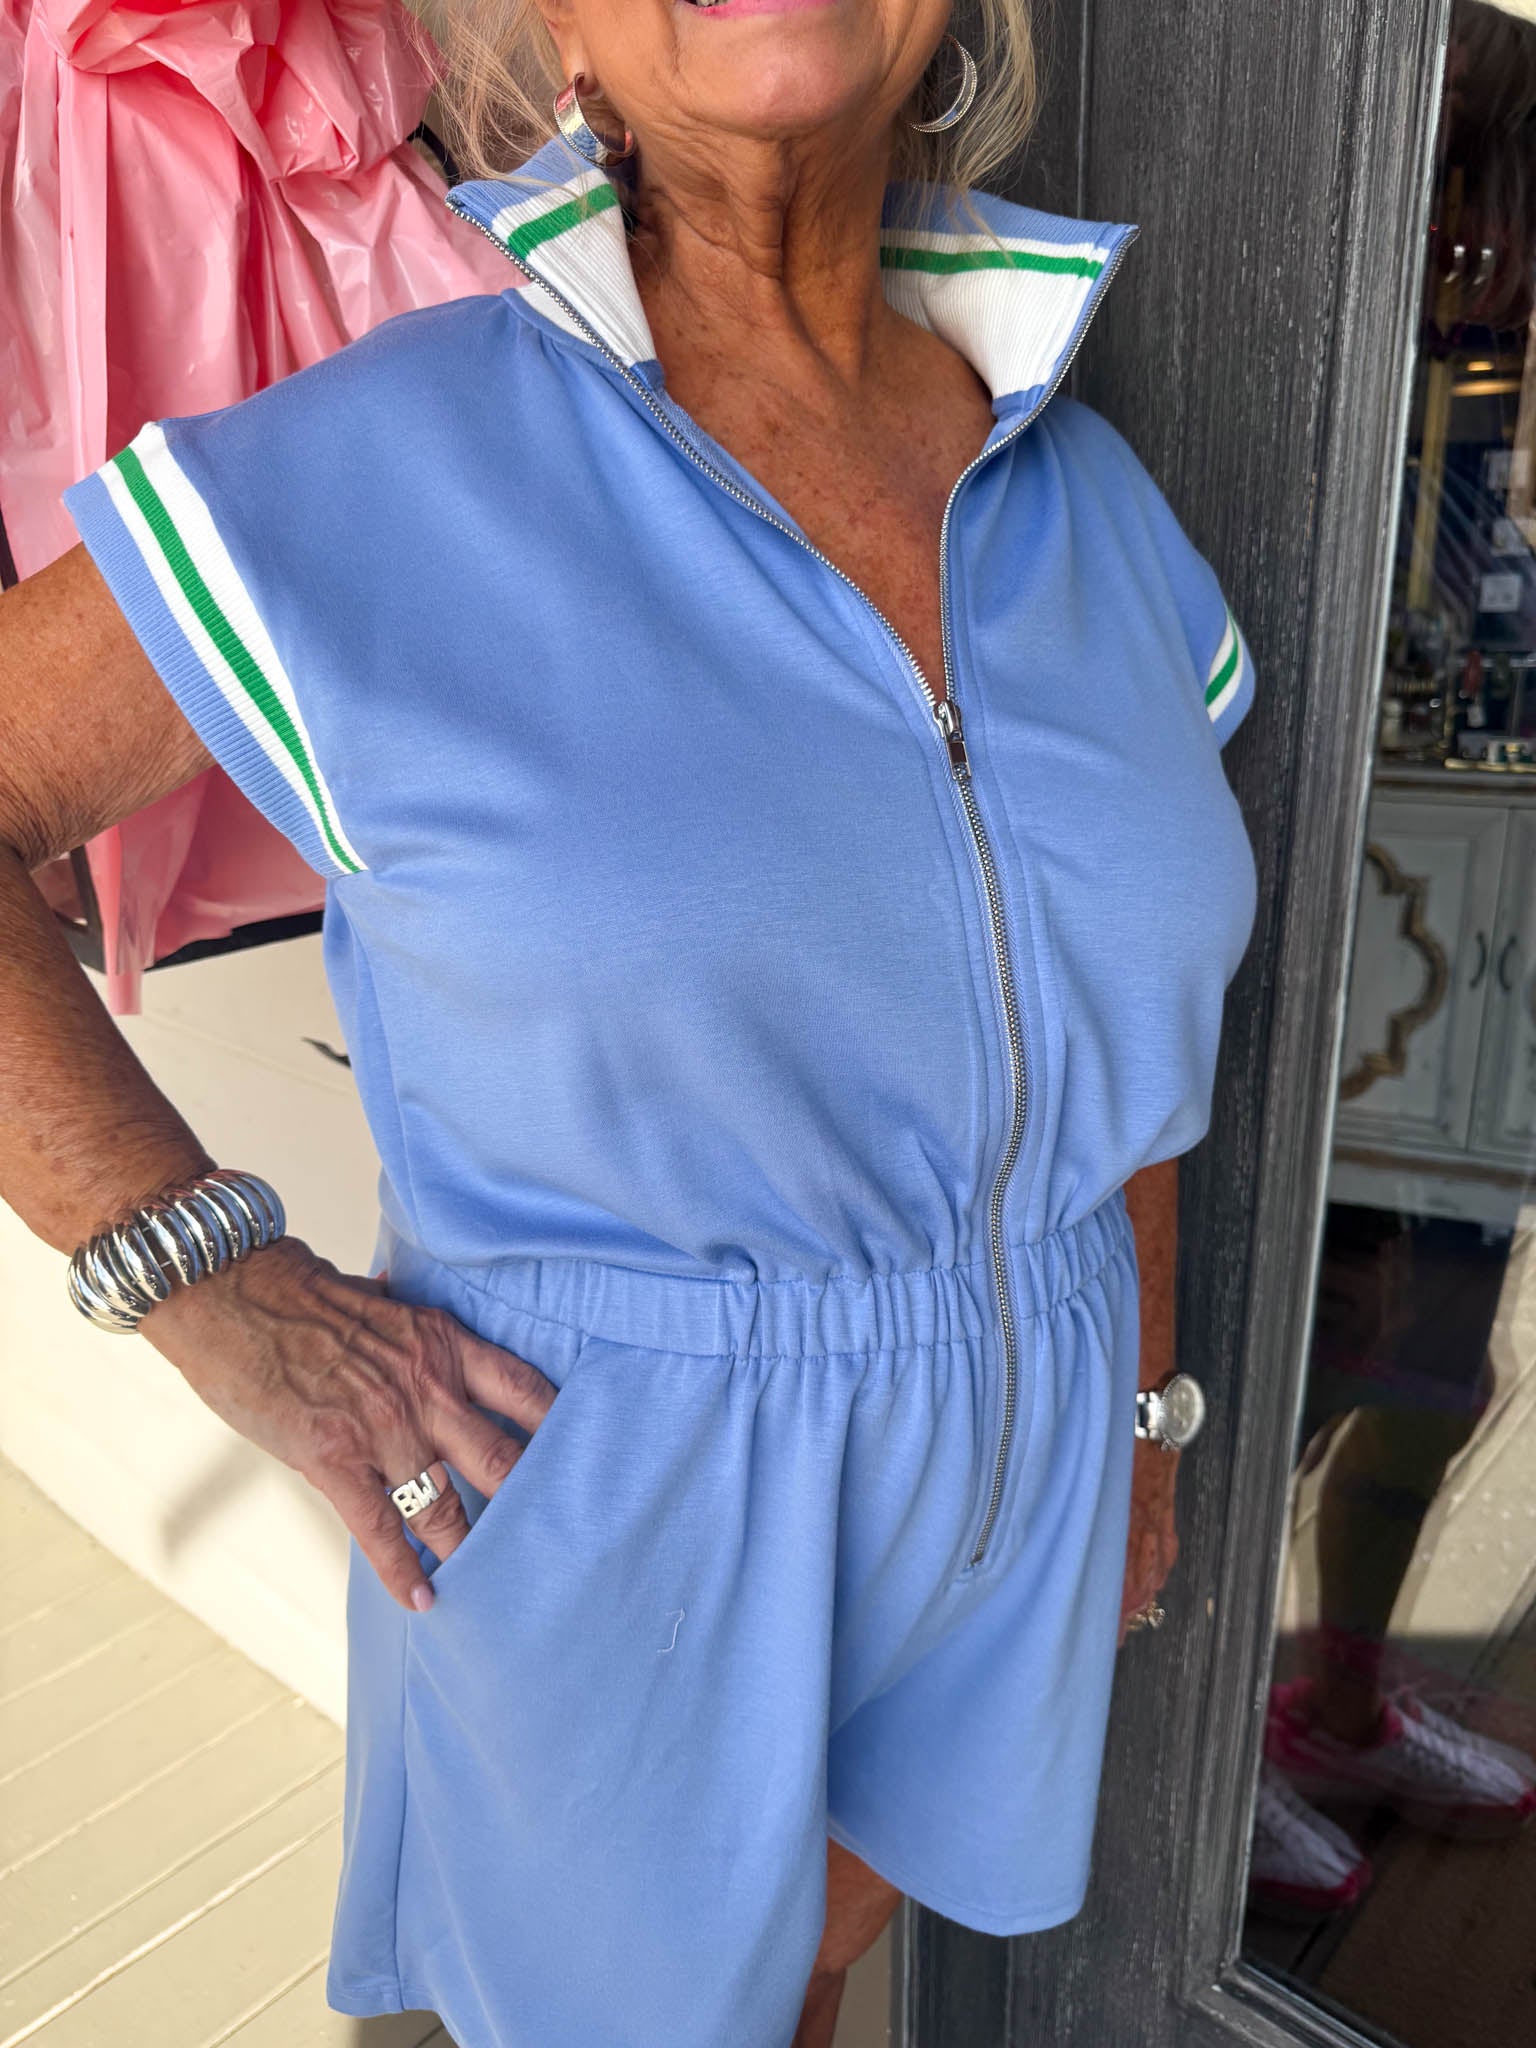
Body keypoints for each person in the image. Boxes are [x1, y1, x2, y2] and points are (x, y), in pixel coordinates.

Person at [0, 4, 1259, 2044]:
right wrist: (199, 1280)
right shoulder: (373, 469)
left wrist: (1138, 1414)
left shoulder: (1094, 503)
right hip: (621, 1512)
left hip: (1027, 1474)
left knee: (825, 1973)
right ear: (555, 31)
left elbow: (1135, 1045)